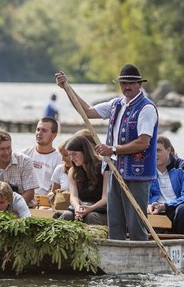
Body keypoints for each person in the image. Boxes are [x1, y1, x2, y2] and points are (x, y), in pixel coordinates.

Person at [56, 64, 158, 241]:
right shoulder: (116, 104)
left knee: (135, 222)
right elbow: (87, 112)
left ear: (139, 84)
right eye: (123, 83)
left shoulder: (146, 108)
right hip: (113, 169)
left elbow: (143, 142)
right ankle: (117, 254)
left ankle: (139, 255)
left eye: (131, 83)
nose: (127, 87)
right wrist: (68, 89)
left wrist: (113, 149)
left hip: (136, 173)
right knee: (115, 221)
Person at [147, 136, 184, 237]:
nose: (154, 154)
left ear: (168, 150)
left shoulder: (183, 167)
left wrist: (165, 206)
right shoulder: (147, 169)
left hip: (176, 211)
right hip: (154, 213)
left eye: (158, 150)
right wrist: (148, 205)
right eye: (151, 150)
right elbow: (143, 194)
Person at [59, 135, 107, 225]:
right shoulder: (73, 171)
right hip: (82, 207)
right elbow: (73, 196)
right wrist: (77, 208)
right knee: (67, 216)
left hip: (102, 210)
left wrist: (90, 208)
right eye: (70, 155)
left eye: (74, 154)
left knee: (91, 217)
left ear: (85, 152)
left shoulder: (104, 168)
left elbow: (106, 198)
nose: (72, 158)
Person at [22, 117, 62, 197]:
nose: (39, 133)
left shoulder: (60, 158)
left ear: (54, 135)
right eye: (38, 129)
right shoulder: (25, 153)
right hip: (26, 199)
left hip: (47, 202)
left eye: (44, 131)